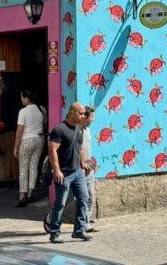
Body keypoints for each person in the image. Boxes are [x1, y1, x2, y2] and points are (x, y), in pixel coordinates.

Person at [47, 102, 90, 243]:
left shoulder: (80, 128)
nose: (83, 116)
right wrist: (57, 170)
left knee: (84, 198)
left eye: (84, 113)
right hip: (63, 173)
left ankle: (79, 230)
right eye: (81, 113)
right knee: (60, 204)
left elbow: (80, 148)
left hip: (77, 171)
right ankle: (54, 232)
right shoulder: (59, 129)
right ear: (72, 112)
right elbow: (52, 150)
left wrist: (82, 163)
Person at [14, 90, 45, 207]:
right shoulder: (42, 109)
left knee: (23, 168)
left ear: (27, 98)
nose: (21, 100)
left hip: (26, 140)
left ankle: (22, 196)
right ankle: (30, 194)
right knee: (33, 166)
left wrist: (16, 146)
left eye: (22, 97)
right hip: (39, 139)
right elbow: (44, 124)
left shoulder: (23, 111)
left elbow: (20, 130)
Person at [79, 105, 98, 233]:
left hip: (88, 165)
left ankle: (86, 222)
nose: (93, 120)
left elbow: (87, 148)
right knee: (82, 196)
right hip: (80, 166)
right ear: (85, 117)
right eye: (91, 117)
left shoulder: (88, 130)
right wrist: (82, 163)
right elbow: (78, 148)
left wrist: (91, 164)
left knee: (90, 195)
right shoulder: (78, 129)